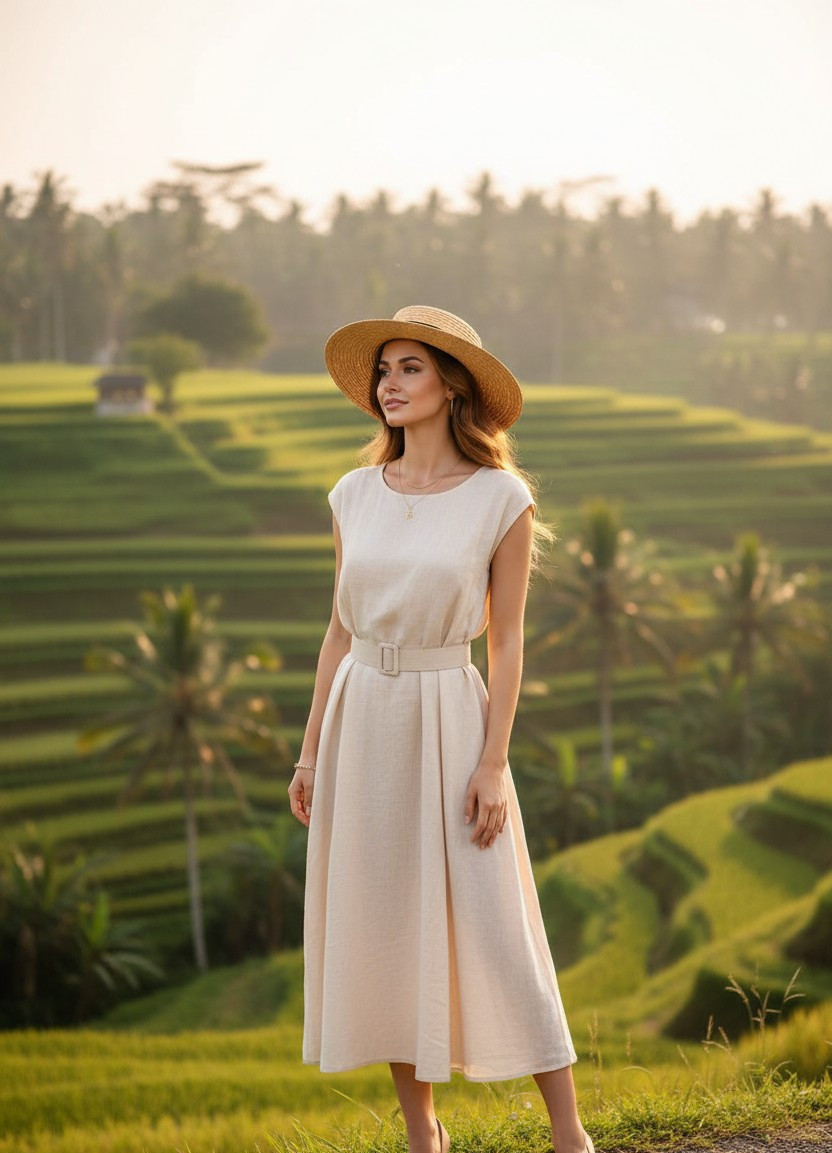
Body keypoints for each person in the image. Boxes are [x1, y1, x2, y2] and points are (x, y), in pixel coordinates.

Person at [288, 306, 593, 1153]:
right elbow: (339, 628)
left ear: (452, 383)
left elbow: (505, 639)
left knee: (498, 918)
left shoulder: (502, 497)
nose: (390, 383)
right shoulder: (352, 494)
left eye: (409, 367)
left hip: (451, 715)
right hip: (361, 719)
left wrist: (493, 763)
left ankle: (570, 1133)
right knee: (383, 920)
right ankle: (424, 1134)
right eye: (383, 369)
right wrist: (311, 748)